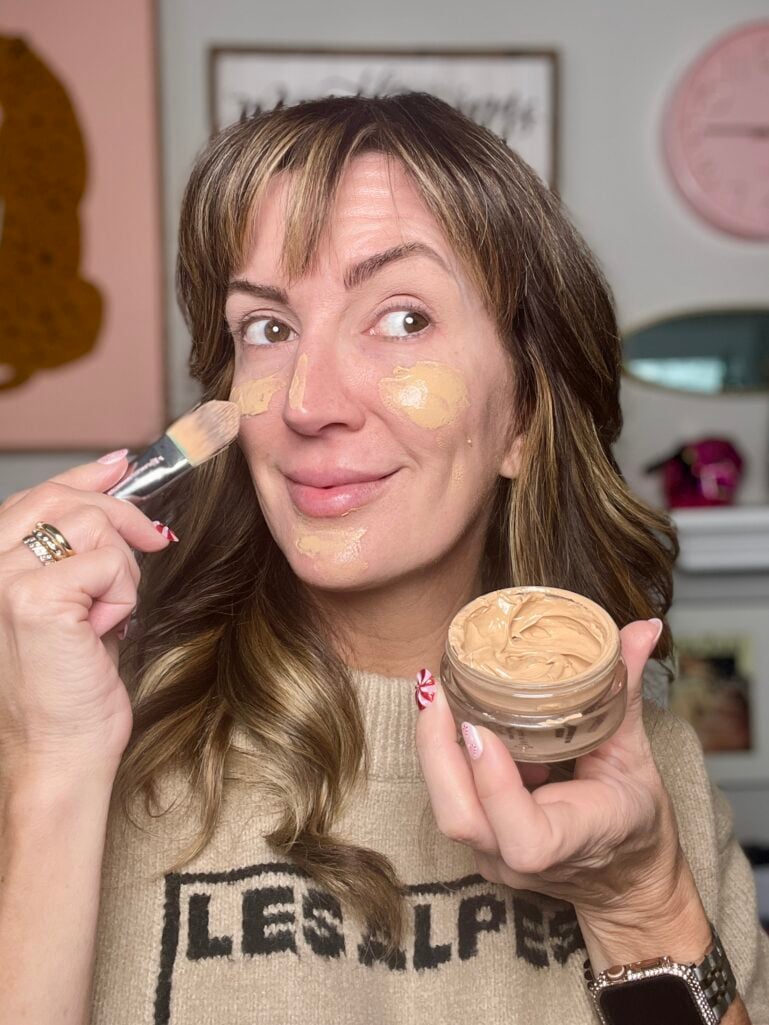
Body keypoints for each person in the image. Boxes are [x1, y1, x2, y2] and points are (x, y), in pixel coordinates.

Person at [1, 93, 766, 1025]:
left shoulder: (647, 771)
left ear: (521, 416)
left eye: (401, 318)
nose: (307, 401)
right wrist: (49, 762)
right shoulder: (82, 735)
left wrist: (639, 902)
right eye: (269, 329)